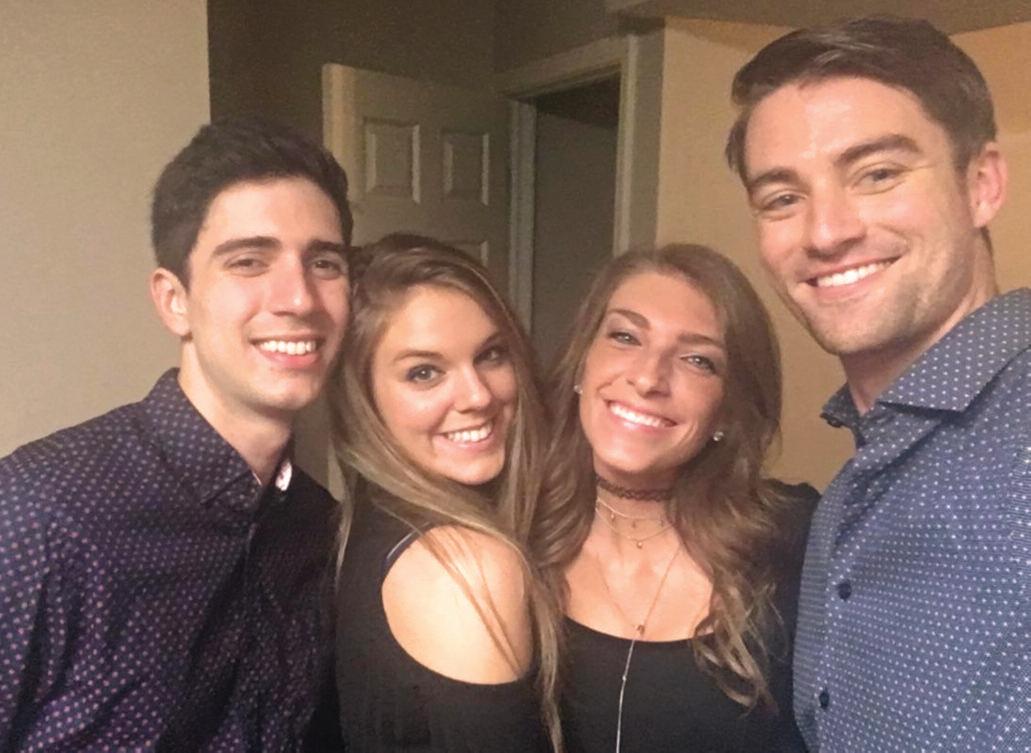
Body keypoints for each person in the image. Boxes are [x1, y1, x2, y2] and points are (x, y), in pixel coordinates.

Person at [0, 117, 352, 751]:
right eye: (249, 262)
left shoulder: (320, 529)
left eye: (324, 263)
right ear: (174, 301)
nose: (299, 298)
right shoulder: (38, 512)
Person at [726, 16, 1029, 752]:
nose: (825, 232)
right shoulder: (847, 492)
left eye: (877, 174)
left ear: (981, 184)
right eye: (782, 198)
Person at [533, 244, 816, 753]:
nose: (648, 378)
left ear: (727, 409)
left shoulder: (795, 539)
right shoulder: (508, 532)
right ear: (582, 364)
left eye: (697, 360)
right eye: (625, 336)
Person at [327, 234, 560, 752]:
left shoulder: (367, 524)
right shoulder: (464, 569)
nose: (478, 396)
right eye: (424, 373)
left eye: (491, 355)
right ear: (363, 398)